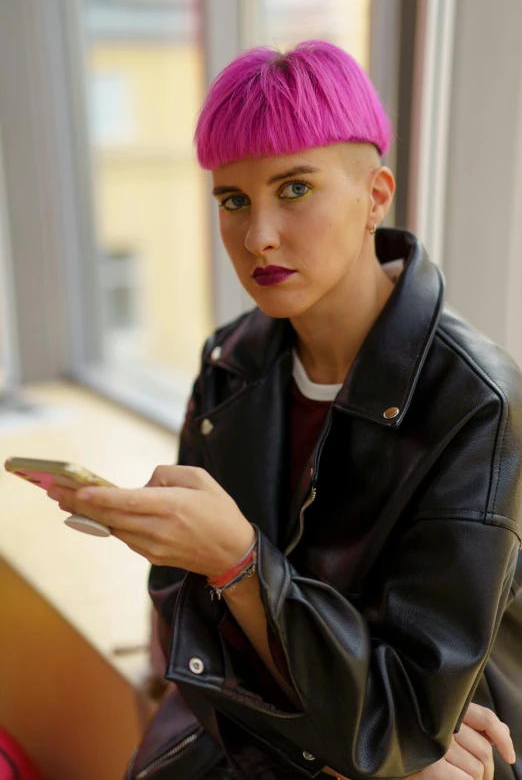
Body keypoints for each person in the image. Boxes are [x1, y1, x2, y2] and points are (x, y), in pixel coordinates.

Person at [47, 41, 522, 780]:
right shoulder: (230, 362)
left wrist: (237, 565)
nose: (257, 235)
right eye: (233, 200)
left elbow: (406, 711)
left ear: (376, 194)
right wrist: (353, 734)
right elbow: (184, 620)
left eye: (294, 189)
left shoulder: (478, 403)